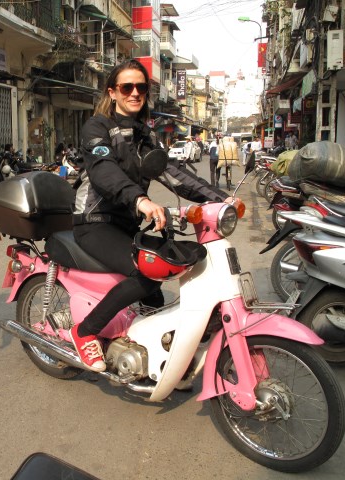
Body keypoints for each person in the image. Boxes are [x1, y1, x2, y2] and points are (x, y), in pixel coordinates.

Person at [71, 59, 227, 371]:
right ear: (113, 92)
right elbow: (104, 171)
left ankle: (156, 356)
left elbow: (175, 173)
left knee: (171, 272)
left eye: (140, 87)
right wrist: (140, 200)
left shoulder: (145, 136)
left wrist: (221, 201)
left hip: (127, 224)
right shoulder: (97, 127)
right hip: (95, 222)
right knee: (145, 274)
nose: (134, 93)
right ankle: (85, 331)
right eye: (127, 87)